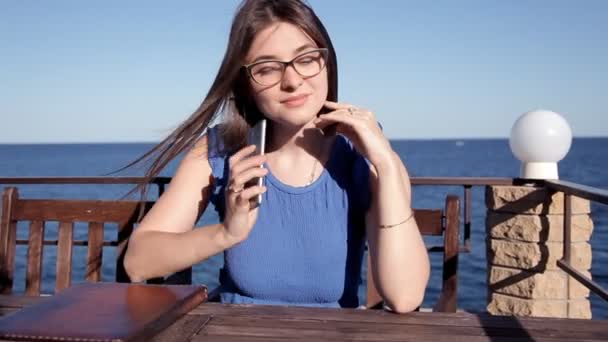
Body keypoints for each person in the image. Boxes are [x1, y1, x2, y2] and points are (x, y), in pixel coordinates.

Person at [123, 0, 429, 313]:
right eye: (267, 68)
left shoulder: (362, 153)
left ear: (327, 62)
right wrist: (226, 233)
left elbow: (404, 297)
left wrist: (387, 166)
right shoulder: (219, 150)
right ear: (245, 82)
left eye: (307, 59)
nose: (293, 81)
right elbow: (139, 262)